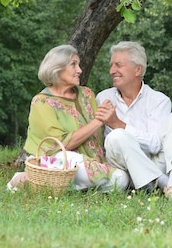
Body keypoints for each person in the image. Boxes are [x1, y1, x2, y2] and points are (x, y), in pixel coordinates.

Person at [7, 45, 129, 193]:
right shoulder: (42, 102)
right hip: (59, 160)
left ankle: (57, 186)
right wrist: (98, 120)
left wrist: (108, 114)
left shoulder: (87, 94)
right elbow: (59, 145)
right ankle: (46, 180)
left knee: (121, 180)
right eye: (73, 65)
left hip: (91, 163)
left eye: (78, 65)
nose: (79, 70)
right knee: (69, 161)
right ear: (57, 68)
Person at [95, 41, 172, 202]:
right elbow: (109, 145)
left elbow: (155, 144)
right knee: (117, 136)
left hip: (155, 162)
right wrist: (119, 129)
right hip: (123, 169)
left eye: (118, 65)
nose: (112, 71)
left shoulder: (159, 100)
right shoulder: (103, 98)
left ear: (138, 69)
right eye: (111, 66)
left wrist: (118, 123)